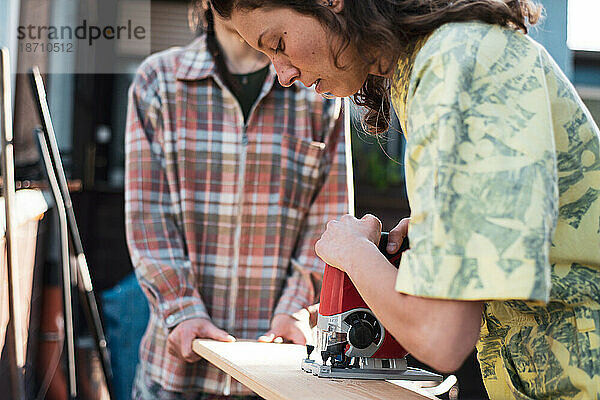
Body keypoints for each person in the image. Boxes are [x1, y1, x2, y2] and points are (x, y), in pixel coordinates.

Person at [210, 0, 600, 398]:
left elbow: (441, 336)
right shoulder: (432, 63)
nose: (283, 74)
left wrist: (353, 252)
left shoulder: (453, 65)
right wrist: (439, 241)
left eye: (278, 42)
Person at [124, 1, 349, 398]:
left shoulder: (317, 88)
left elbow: (329, 222)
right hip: (177, 371)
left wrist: (297, 308)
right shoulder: (158, 81)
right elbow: (148, 218)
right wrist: (182, 311)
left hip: (279, 370)